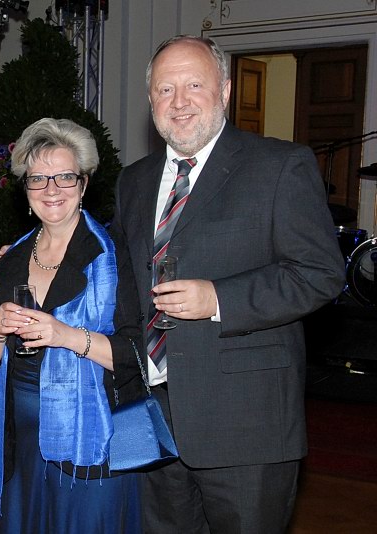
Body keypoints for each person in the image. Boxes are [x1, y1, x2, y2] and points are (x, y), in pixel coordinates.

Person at [110, 35, 345, 533]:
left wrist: (219, 298)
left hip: (247, 425)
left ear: (225, 90)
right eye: (165, 89)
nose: (179, 101)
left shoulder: (279, 166)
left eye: (194, 85)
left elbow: (320, 272)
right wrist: (35, 254)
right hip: (154, 421)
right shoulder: (134, 180)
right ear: (150, 99)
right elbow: (122, 278)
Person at [0, 118, 144, 533]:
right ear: (26, 189)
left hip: (92, 444)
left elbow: (136, 354)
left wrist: (64, 336)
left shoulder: (112, 255)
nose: (51, 190)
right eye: (38, 179)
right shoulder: (9, 260)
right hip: (17, 443)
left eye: (65, 177)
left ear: (83, 184)